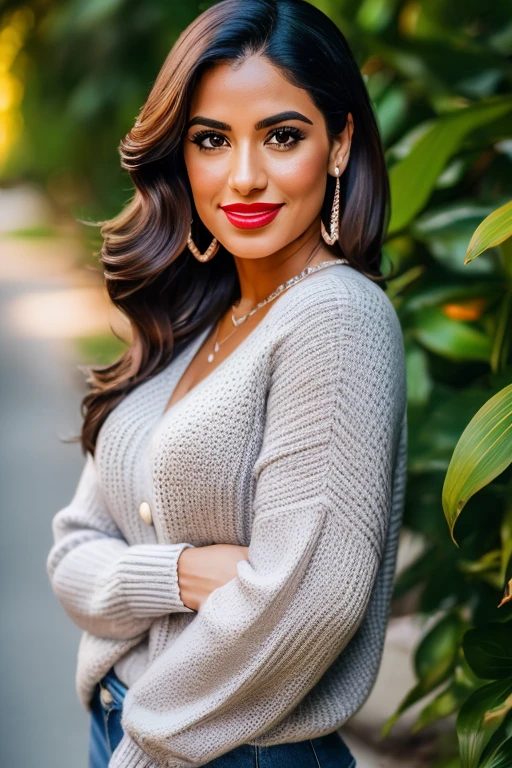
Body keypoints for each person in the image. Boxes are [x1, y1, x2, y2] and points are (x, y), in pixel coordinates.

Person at [46, 0, 408, 766]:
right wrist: (178, 574)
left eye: (282, 136)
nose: (244, 177)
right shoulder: (193, 319)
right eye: (212, 140)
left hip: (223, 750)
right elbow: (72, 556)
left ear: (339, 144)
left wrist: (146, 749)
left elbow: (307, 602)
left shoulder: (337, 316)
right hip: (126, 724)